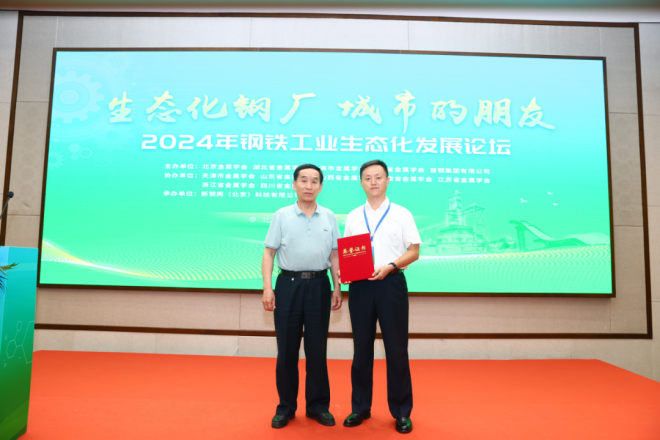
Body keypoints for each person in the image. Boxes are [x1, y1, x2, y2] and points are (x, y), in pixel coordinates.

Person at [340, 159, 421, 434]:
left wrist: (391, 265)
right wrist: (345, 272)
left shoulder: (402, 213)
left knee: (396, 349)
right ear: (361, 182)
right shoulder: (353, 216)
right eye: (367, 178)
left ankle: (402, 411)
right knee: (361, 349)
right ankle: (360, 407)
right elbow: (348, 252)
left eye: (378, 177)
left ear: (388, 180)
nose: (373, 182)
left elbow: (414, 251)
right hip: (360, 287)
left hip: (391, 284)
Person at [262, 164, 343, 429]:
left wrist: (337, 286)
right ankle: (285, 408)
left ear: (321, 186)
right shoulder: (282, 215)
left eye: (314, 181)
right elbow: (269, 253)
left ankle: (318, 406)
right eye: (304, 180)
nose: (309, 185)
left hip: (319, 285)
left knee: (317, 350)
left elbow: (334, 254)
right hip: (288, 285)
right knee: (287, 350)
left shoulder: (329, 216)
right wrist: (267, 288)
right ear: (294, 184)